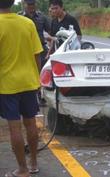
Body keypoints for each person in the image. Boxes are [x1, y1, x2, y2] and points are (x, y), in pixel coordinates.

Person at [0, 0, 42, 177]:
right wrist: (37, 77)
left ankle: (22, 169)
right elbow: (37, 54)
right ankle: (33, 163)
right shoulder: (28, 23)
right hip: (29, 82)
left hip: (7, 84)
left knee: (14, 128)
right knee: (31, 123)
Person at [18, 0, 51, 68]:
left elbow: (50, 31)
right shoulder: (19, 17)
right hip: (25, 50)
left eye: (33, 4)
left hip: (41, 49)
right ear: (24, 4)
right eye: (29, 4)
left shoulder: (42, 17)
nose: (31, 6)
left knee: (43, 71)